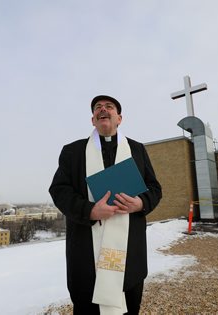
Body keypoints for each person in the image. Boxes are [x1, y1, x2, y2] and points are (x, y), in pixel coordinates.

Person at [49, 95, 162, 314]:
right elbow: (59, 190)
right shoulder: (72, 152)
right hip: (86, 259)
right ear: (93, 120)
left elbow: (155, 188)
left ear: (119, 118)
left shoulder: (137, 150)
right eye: (98, 108)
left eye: (109, 107)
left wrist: (140, 203)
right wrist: (90, 210)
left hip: (129, 259)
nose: (103, 109)